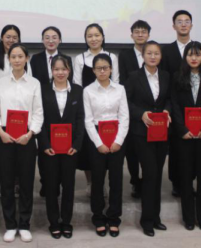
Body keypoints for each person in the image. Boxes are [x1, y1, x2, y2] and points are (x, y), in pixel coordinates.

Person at [0, 44, 44, 243]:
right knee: (6, 182)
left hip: (27, 136)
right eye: (13, 56)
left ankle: (24, 224)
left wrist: (30, 133)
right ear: (9, 59)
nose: (16, 60)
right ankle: (10, 225)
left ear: (27, 59)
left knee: (26, 182)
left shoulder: (34, 83)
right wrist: (0, 131)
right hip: (4, 135)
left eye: (20, 56)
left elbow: (38, 112)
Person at [171, 42, 201, 232]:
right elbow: (175, 105)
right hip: (184, 136)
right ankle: (189, 218)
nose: (193, 58)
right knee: (185, 177)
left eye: (197, 55)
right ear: (185, 57)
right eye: (190, 55)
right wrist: (182, 129)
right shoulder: (177, 77)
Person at [125, 41, 171, 237]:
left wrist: (167, 110)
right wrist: (141, 114)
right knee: (150, 173)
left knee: (157, 175)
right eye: (149, 53)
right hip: (142, 133)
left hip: (161, 132)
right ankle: (147, 221)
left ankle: (156, 217)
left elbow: (169, 99)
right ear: (143, 56)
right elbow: (126, 101)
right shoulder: (134, 77)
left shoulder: (166, 76)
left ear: (160, 56)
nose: (153, 57)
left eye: (156, 53)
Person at [37, 55, 85, 240]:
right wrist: (45, 144)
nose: (60, 72)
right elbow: (39, 119)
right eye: (56, 69)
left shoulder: (78, 91)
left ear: (69, 70)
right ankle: (54, 222)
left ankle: (66, 221)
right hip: (49, 149)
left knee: (69, 185)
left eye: (63, 69)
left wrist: (77, 144)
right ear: (51, 70)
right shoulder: (43, 90)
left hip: (70, 149)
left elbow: (80, 119)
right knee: (50, 185)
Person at [84, 54, 129, 238]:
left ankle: (114, 218)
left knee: (116, 180)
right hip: (97, 137)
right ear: (93, 70)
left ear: (111, 69)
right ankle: (98, 218)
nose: (102, 71)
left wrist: (118, 141)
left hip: (117, 136)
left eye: (105, 68)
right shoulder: (88, 91)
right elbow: (88, 120)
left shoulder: (120, 89)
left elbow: (124, 117)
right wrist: (99, 143)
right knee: (97, 180)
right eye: (98, 68)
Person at [73, 23, 119, 196]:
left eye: (97, 35)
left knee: (107, 145)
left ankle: (102, 182)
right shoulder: (80, 59)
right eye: (90, 36)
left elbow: (116, 82)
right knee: (88, 148)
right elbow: (77, 86)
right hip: (88, 107)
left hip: (108, 108)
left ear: (103, 37)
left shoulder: (112, 57)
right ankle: (90, 182)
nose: (93, 39)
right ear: (85, 39)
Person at [30, 26, 72, 197]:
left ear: (60, 40)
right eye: (47, 37)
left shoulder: (67, 59)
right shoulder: (35, 59)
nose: (51, 40)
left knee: (62, 147)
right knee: (44, 147)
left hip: (62, 106)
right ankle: (45, 182)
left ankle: (60, 182)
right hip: (43, 105)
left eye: (54, 37)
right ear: (42, 40)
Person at [161, 10, 194, 198]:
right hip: (174, 103)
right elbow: (165, 78)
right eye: (179, 21)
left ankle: (189, 181)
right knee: (175, 145)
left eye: (186, 21)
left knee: (193, 145)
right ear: (173, 26)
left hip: (195, 105)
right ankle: (176, 181)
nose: (183, 24)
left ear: (191, 25)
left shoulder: (198, 49)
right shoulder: (167, 51)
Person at [118, 20, 151, 199]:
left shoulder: (154, 53)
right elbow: (122, 81)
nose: (140, 34)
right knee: (131, 148)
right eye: (137, 32)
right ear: (131, 35)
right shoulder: (125, 56)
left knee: (148, 148)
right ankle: (135, 180)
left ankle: (147, 180)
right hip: (130, 105)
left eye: (143, 31)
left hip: (151, 108)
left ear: (148, 35)